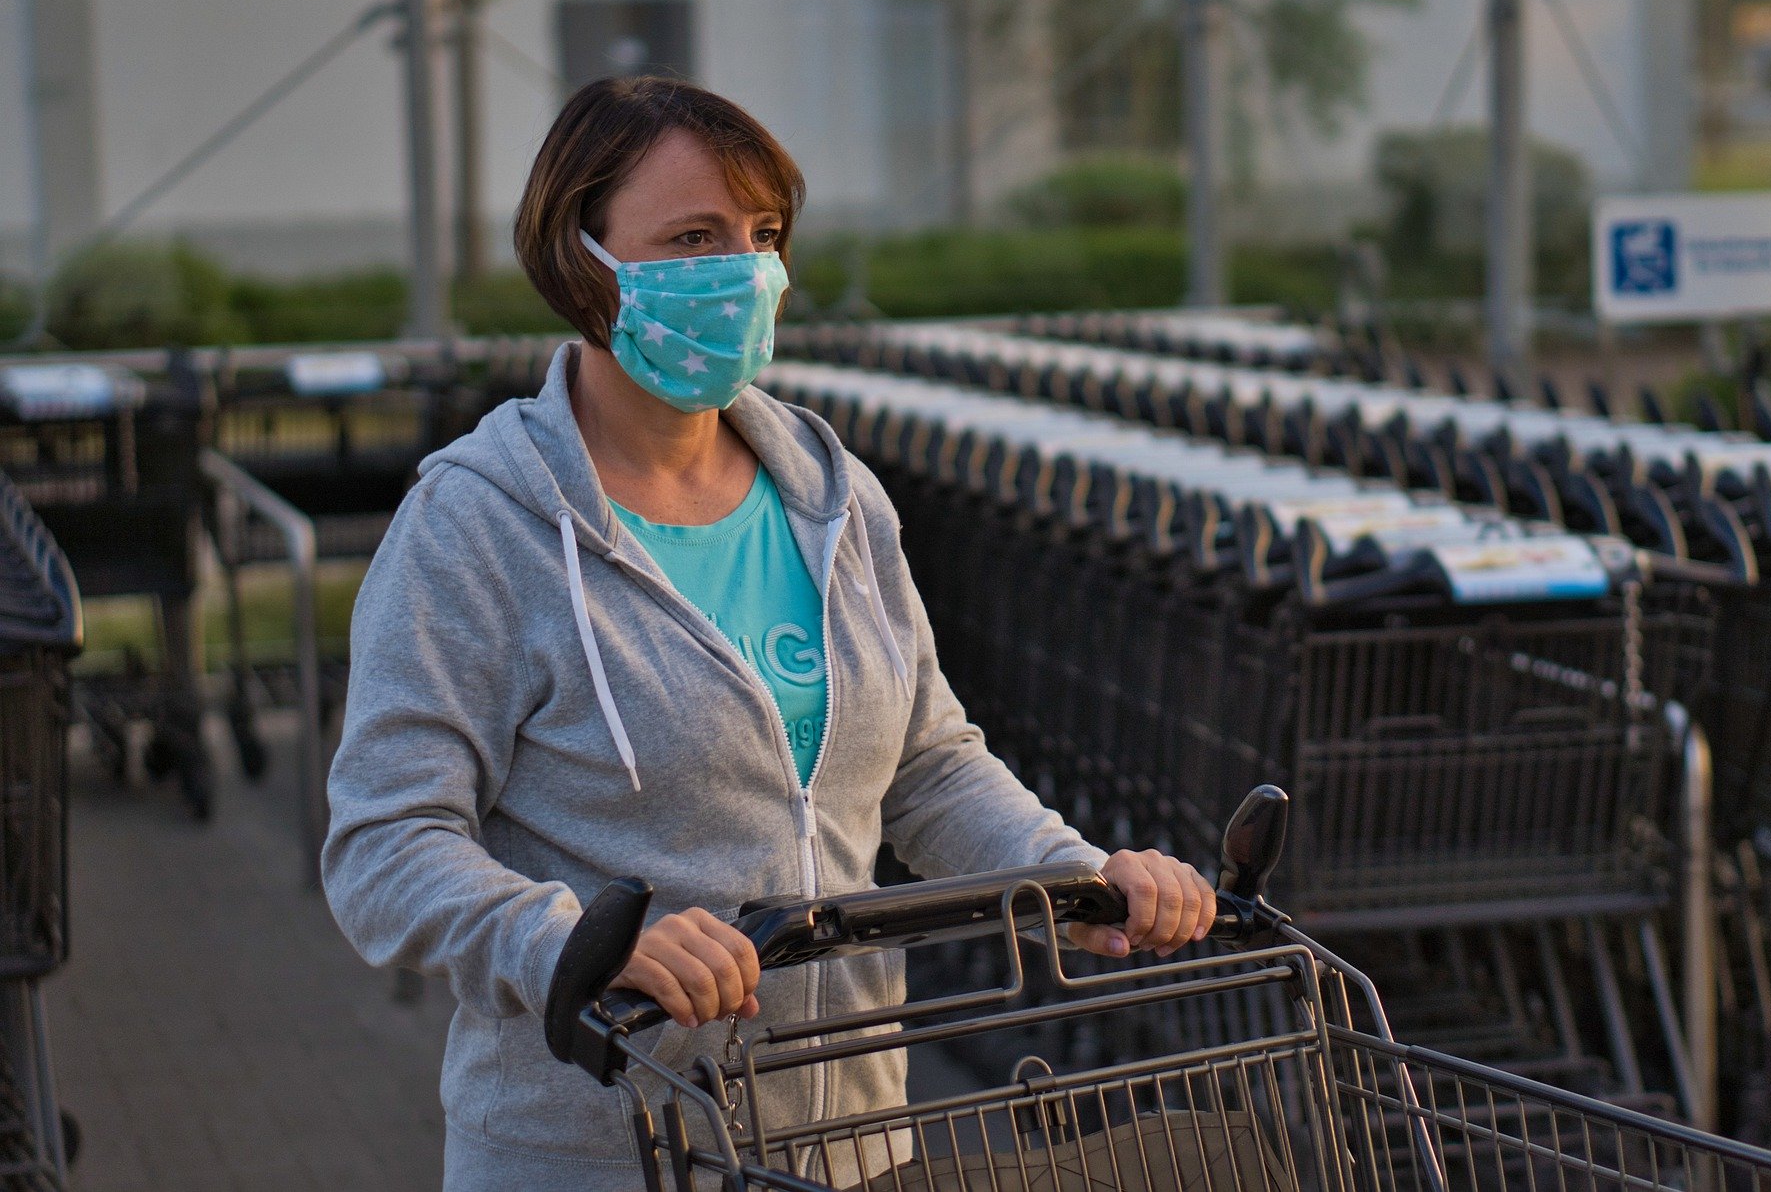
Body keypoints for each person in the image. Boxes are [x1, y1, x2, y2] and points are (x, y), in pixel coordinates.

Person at [322, 75, 1217, 1192]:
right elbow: (384, 844)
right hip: (600, 1156)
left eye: (762, 236)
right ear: (579, 257)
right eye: (694, 238)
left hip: (845, 1146)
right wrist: (572, 944)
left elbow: (929, 769)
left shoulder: (831, 496)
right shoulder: (476, 526)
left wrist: (1068, 875)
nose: (744, 273)